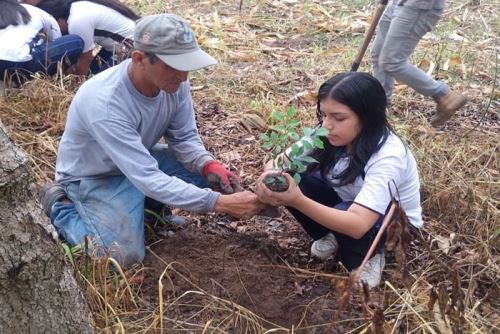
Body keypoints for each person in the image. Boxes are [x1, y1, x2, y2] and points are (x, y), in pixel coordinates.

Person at [40, 14, 264, 267]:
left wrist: (208, 165)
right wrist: (219, 204)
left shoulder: (175, 83)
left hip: (138, 158)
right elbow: (147, 177)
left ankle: (148, 208)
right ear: (139, 58)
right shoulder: (105, 102)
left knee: (215, 181)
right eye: (174, 66)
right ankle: (62, 207)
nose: (184, 77)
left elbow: (184, 139)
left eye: (187, 65)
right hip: (95, 176)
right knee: (122, 257)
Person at [255, 72, 422, 289]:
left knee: (342, 212)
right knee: (296, 177)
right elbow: (276, 163)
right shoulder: (325, 132)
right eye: (324, 115)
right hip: (349, 204)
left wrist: (297, 200)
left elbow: (358, 224)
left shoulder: (389, 155)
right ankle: (330, 234)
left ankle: (371, 256)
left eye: (339, 118)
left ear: (367, 116)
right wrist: (270, 180)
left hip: (392, 224)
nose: (327, 125)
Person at [370, 0, 467, 127]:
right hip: (397, 3)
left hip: (418, 6)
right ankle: (380, 106)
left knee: (391, 61)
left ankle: (444, 95)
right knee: (378, 54)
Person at [35, 0, 139, 75]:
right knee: (92, 70)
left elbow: (85, 60)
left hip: (131, 48)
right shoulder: (76, 7)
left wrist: (77, 85)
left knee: (97, 82)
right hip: (121, 44)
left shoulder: (76, 22)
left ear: (58, 20)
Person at [0, 0, 83, 81]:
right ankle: (54, 81)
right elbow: (57, 42)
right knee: (77, 41)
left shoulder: (5, 11)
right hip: (22, 63)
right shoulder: (43, 14)